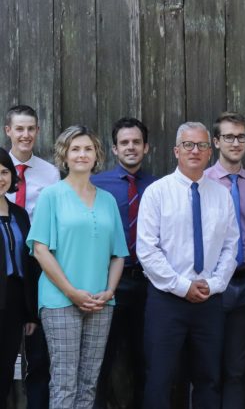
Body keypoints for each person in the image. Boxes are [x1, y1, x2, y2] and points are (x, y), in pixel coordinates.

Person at [137, 122, 239, 409]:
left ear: (210, 151)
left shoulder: (221, 195)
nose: (195, 151)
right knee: (159, 378)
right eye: (188, 145)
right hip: (167, 299)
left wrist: (214, 284)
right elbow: (147, 249)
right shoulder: (157, 193)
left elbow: (231, 246)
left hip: (209, 300)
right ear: (176, 151)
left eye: (202, 145)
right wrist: (183, 287)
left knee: (209, 378)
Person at [26, 126, 128, 409]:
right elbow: (40, 249)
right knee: (64, 382)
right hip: (60, 300)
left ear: (96, 155)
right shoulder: (51, 195)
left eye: (88, 149)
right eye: (75, 149)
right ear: (64, 156)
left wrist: (109, 291)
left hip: (100, 302)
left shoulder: (107, 200)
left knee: (89, 383)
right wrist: (71, 292)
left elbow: (118, 254)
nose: (82, 154)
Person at [91, 117, 157, 409]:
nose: (131, 147)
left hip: (150, 284)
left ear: (146, 148)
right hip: (108, 284)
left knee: (146, 361)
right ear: (115, 149)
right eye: (124, 143)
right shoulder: (96, 185)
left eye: (136, 142)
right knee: (100, 361)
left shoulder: (158, 186)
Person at [204, 112, 245, 409]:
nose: (236, 142)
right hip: (213, 285)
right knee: (206, 367)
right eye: (228, 137)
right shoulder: (202, 181)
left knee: (237, 370)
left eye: (241, 137)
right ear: (216, 142)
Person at [4, 105, 60, 409]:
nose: (25, 135)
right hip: (7, 271)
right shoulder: (1, 170)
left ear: (37, 131)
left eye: (30, 129)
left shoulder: (50, 173)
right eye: (19, 129)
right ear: (8, 131)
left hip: (38, 269)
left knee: (39, 354)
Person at [0, 148, 37, 409]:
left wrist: (30, 313)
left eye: (4, 172)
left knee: (5, 371)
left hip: (13, 304)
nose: (0, 178)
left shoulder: (19, 214)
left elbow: (30, 263)